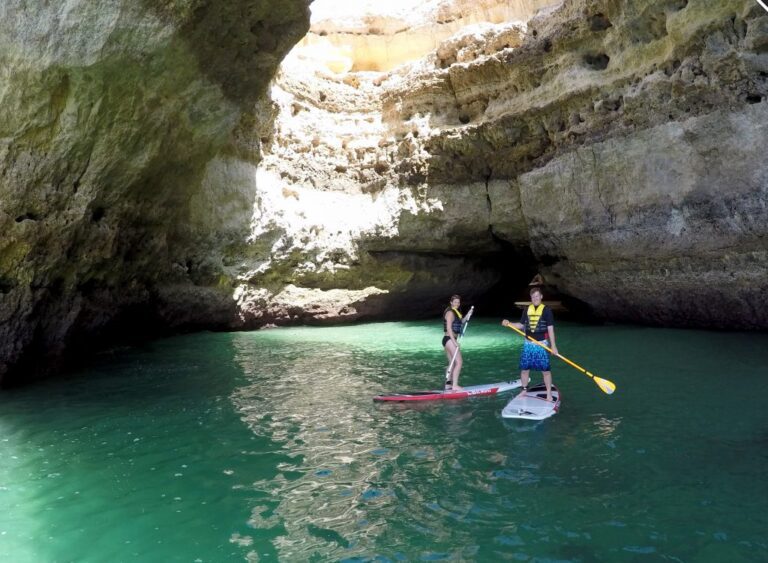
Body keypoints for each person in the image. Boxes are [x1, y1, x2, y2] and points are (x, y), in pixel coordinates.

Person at [502, 287, 559, 401]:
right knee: (524, 369)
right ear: (531, 298)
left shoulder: (547, 310)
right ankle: (524, 390)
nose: (535, 298)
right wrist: (509, 324)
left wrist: (553, 346)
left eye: (537, 296)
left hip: (541, 343)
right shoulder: (527, 309)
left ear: (541, 297)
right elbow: (521, 325)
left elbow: (550, 329)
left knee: (545, 371)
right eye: (533, 297)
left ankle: (548, 393)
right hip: (528, 343)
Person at [443, 294, 467, 390]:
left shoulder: (456, 312)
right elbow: (449, 328)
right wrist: (454, 342)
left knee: (451, 363)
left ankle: (448, 384)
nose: (457, 304)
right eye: (455, 302)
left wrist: (468, 314)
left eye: (458, 302)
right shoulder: (450, 313)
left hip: (448, 340)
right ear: (451, 302)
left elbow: (462, 322)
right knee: (459, 362)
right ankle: (455, 385)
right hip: (449, 339)